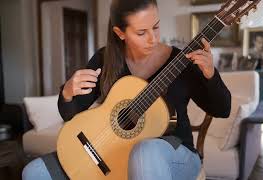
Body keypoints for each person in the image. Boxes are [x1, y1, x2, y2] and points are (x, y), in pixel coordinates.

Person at [22, 0, 231, 179]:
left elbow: (223, 109)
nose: (153, 39)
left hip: (175, 155)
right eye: (141, 32)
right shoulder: (105, 60)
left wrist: (210, 75)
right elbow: (71, 114)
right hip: (114, 153)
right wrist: (67, 93)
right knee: (33, 172)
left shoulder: (184, 61)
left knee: (145, 151)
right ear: (120, 33)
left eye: (156, 27)